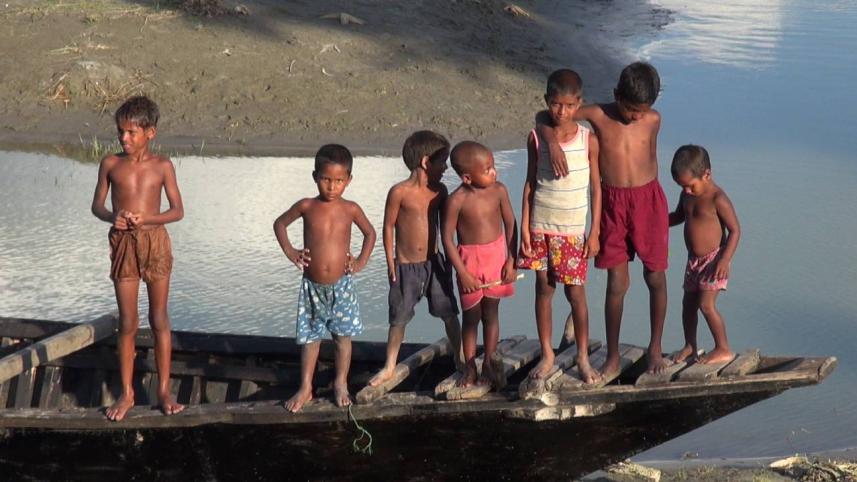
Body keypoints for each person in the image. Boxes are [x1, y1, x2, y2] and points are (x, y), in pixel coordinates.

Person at [537, 61, 670, 374]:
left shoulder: (653, 119)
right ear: (616, 95)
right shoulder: (598, 114)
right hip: (612, 203)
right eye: (630, 109)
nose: (635, 116)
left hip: (647, 202)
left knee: (655, 277)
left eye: (640, 111)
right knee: (617, 282)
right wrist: (551, 142)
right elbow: (544, 116)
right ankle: (612, 354)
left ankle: (655, 348)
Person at [90, 95, 185, 421]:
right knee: (128, 321)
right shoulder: (110, 164)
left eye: (131, 132)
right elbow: (97, 205)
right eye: (121, 132)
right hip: (123, 244)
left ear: (150, 133)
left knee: (159, 318)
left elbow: (177, 210)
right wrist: (112, 216)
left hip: (154, 242)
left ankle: (163, 391)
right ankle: (127, 392)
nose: (124, 138)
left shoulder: (163, 166)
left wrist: (148, 220)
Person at [273, 144, 376, 413]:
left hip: (342, 286)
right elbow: (280, 224)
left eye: (339, 181)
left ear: (348, 180)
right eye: (326, 179)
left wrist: (360, 262)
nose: (332, 186)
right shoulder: (307, 206)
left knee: (342, 338)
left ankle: (340, 383)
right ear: (315, 176)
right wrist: (291, 251)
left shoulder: (351, 209)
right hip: (312, 287)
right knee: (311, 339)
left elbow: (370, 234)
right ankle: (305, 386)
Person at [518, 69, 602, 383]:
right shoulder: (536, 138)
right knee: (544, 289)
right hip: (541, 226)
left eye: (568, 106)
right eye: (555, 104)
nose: (561, 111)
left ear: (579, 104)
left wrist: (594, 231)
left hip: (572, 231)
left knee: (576, 294)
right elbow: (530, 182)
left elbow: (596, 187)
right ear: (546, 101)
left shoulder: (587, 140)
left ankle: (582, 356)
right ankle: (547, 353)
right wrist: (525, 227)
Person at [368, 131, 464, 387]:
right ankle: (389, 366)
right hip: (406, 267)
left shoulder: (440, 191)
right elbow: (388, 226)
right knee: (398, 318)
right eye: (442, 162)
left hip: (434, 263)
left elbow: (447, 227)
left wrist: (453, 259)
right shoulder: (399, 192)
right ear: (425, 162)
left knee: (450, 312)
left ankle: (460, 357)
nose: (445, 168)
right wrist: (391, 262)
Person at [442, 141, 517, 388]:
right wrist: (462, 273)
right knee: (471, 317)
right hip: (469, 262)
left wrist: (512, 260)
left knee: (491, 313)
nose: (494, 172)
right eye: (487, 170)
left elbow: (510, 224)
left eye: (493, 166)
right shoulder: (456, 200)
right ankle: (470, 367)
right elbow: (447, 239)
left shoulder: (499, 191)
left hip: (496, 257)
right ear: (466, 177)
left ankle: (488, 364)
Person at [668, 145, 740, 364]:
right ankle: (690, 346)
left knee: (706, 305)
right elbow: (679, 216)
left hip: (714, 260)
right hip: (693, 261)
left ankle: (723, 348)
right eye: (682, 186)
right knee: (688, 305)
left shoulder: (717, 198)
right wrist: (657, 221)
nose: (687, 190)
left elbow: (735, 230)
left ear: (706, 174)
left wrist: (725, 259)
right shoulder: (686, 195)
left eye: (690, 185)